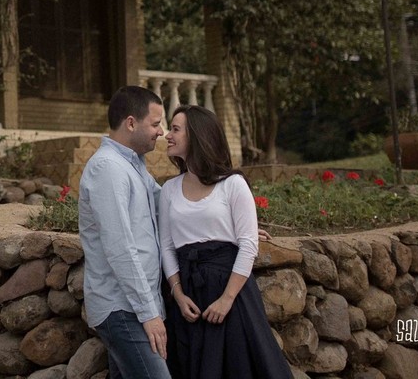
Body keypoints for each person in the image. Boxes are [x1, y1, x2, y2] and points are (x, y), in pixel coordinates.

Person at [159, 104, 292, 379]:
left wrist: (226, 299)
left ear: (197, 135)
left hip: (230, 292)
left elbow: (248, 244)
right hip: (189, 294)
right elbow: (167, 246)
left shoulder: (232, 184)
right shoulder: (169, 189)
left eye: (175, 129)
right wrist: (178, 294)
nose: (167, 135)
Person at [78, 86, 172, 379]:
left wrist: (233, 225)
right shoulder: (109, 169)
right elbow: (119, 247)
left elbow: (169, 206)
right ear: (131, 123)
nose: (161, 132)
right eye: (155, 124)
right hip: (123, 309)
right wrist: (149, 314)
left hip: (133, 307)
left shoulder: (133, 166)